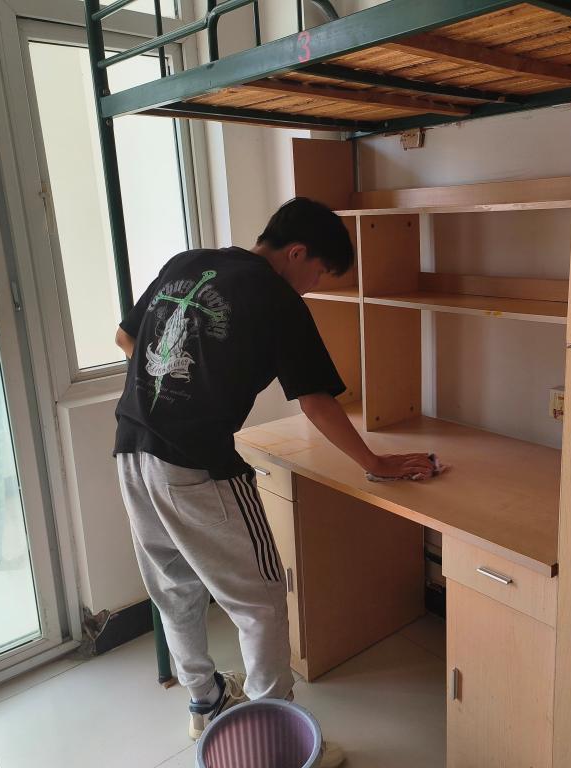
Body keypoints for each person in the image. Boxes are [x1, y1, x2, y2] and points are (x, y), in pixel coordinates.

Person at [114, 197, 435, 765]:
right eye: (319, 274)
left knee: (175, 589)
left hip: (132, 451)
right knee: (261, 601)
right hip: (197, 466)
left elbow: (126, 338)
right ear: (297, 252)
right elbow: (315, 400)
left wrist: (173, 392)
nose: (314, 287)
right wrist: (376, 462)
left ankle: (205, 702)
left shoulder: (188, 263)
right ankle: (273, 738)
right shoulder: (276, 297)